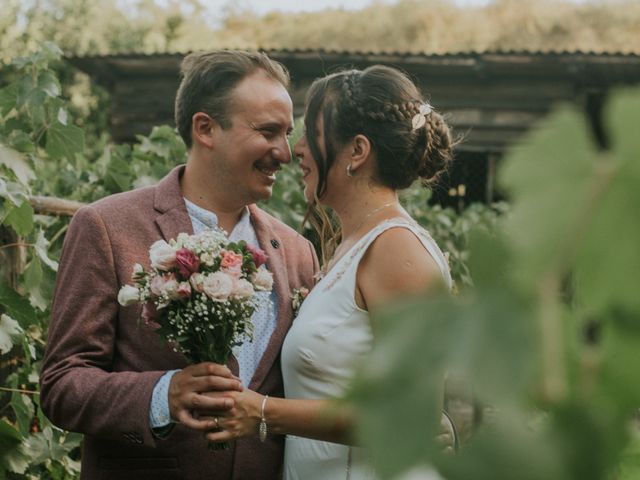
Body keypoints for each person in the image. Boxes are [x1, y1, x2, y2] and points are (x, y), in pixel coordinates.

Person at [40, 50, 318, 480]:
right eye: (268, 132)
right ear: (205, 128)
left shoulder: (298, 251)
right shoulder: (106, 227)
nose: (284, 153)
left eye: (287, 133)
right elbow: (62, 385)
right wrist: (161, 394)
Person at [205, 65, 456, 479]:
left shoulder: (396, 249)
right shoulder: (348, 247)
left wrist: (264, 411)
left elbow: (412, 417)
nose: (296, 150)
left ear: (357, 151)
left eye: (311, 134)